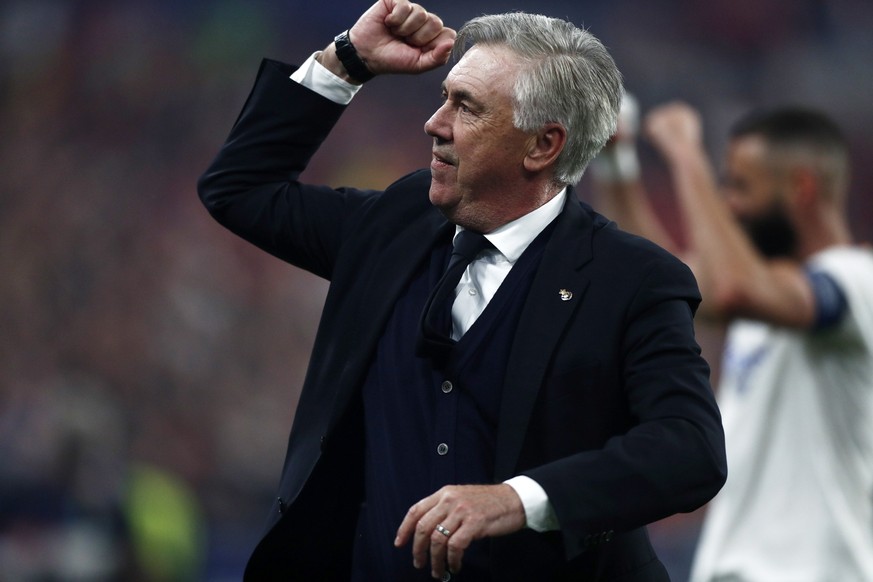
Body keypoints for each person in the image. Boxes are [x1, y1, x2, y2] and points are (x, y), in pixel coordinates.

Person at [198, 1, 727, 579]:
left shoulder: (631, 279)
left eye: (466, 107)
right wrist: (346, 61)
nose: (435, 122)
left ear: (542, 146)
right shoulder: (395, 225)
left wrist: (518, 499)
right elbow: (240, 189)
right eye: (444, 96)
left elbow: (690, 451)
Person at [592, 99, 873, 581]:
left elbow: (734, 287)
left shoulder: (856, 277)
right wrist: (616, 160)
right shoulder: (767, 294)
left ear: (802, 187)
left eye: (740, 185)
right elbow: (650, 280)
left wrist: (686, 154)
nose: (728, 203)